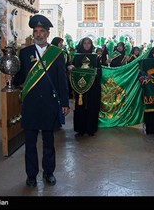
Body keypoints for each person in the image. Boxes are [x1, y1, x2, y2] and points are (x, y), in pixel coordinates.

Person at [12, 14, 70, 187]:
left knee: (48, 142)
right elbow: (20, 78)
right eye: (35, 31)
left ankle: (49, 173)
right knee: (29, 143)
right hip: (30, 105)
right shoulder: (24, 53)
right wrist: (11, 77)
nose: (38, 34)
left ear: (48, 32)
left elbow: (62, 80)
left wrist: (65, 103)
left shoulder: (57, 53)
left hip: (49, 104)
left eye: (41, 31)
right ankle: (31, 175)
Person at [71, 37, 102, 137]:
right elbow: (72, 70)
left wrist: (93, 74)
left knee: (91, 107)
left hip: (93, 87)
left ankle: (91, 129)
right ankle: (80, 129)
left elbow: (100, 71)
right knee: (80, 107)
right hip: (80, 87)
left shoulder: (95, 57)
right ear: (81, 44)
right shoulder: (76, 57)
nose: (87, 45)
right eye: (85, 43)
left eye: (89, 43)